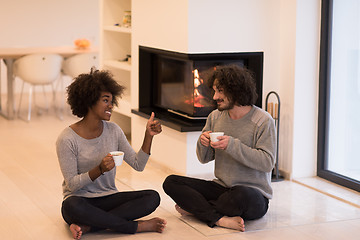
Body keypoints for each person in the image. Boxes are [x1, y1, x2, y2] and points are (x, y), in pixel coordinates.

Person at [163, 65, 276, 232]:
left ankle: (198, 209)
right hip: (222, 188)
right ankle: (219, 218)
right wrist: (203, 143)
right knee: (171, 182)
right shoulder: (215, 117)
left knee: (239, 196)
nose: (215, 97)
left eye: (220, 91)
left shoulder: (263, 121)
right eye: (214, 91)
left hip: (252, 194)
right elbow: (204, 159)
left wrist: (232, 145)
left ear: (235, 91)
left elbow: (267, 163)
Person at [56, 68, 166, 239]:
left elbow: (138, 165)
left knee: (152, 197)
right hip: (80, 201)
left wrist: (148, 136)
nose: (111, 106)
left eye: (112, 101)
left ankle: (90, 227)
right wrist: (99, 169)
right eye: (105, 100)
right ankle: (136, 227)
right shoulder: (67, 139)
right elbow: (72, 186)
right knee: (71, 206)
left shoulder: (113, 130)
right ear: (89, 100)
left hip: (109, 199)